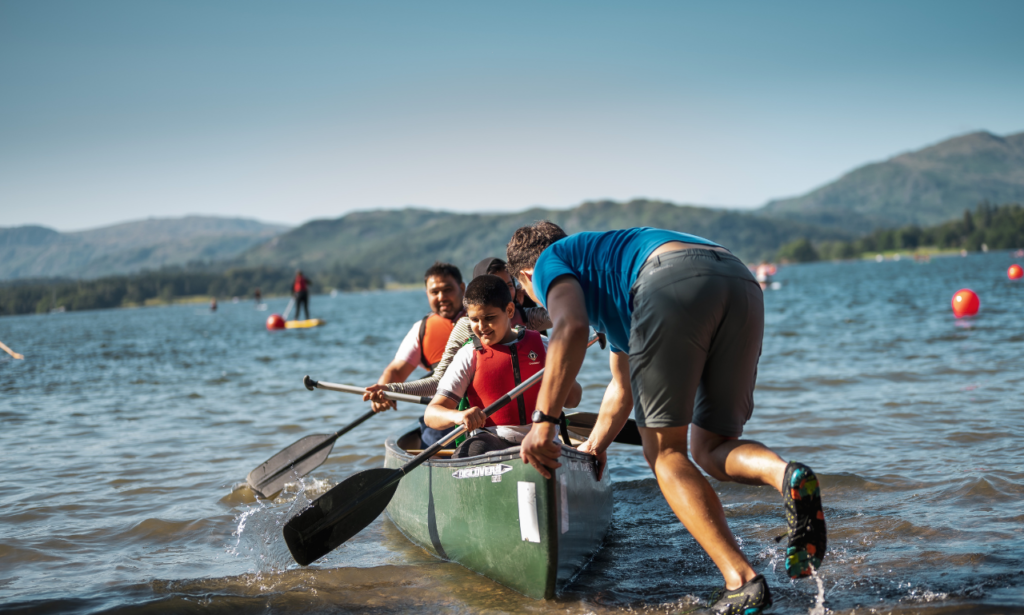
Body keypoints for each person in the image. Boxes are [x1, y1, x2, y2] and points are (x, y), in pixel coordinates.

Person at [505, 222, 827, 615]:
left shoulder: (550, 260)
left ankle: (741, 582)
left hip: (668, 280)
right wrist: (596, 445)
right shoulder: (609, 272)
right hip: (738, 280)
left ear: (526, 275)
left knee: (664, 453)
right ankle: (788, 476)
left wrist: (542, 425)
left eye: (533, 296)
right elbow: (622, 387)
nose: (541, 302)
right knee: (711, 448)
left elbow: (569, 327)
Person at [364, 257, 553, 446]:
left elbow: (567, 315)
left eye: (508, 285)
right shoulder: (466, 329)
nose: (502, 291)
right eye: (492, 284)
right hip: (473, 421)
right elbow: (438, 381)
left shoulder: (530, 318)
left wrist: (536, 290)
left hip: (532, 425)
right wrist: (391, 389)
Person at [422, 274, 581, 458]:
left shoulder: (544, 345)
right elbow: (431, 414)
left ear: (510, 310)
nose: (482, 327)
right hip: (492, 440)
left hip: (541, 435)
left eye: (489, 317)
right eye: (474, 319)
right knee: (471, 450)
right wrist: (459, 416)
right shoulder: (468, 355)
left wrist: (561, 370)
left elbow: (573, 400)